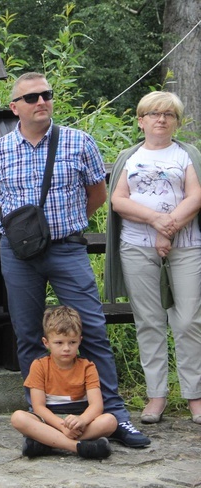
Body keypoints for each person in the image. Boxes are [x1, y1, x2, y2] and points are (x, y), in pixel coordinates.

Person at [0, 72, 150, 448]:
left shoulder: (78, 142)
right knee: (27, 335)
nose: (41, 101)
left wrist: (64, 225)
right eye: (32, 97)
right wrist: (23, 233)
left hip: (67, 248)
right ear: (15, 107)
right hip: (19, 254)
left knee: (91, 329)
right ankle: (42, 422)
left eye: (47, 95)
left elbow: (97, 194)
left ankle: (114, 415)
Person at [105, 91, 201, 425]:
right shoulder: (128, 157)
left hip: (186, 247)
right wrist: (155, 221)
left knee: (188, 320)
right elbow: (118, 200)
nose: (161, 119)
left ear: (176, 121)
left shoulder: (188, 155)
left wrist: (168, 229)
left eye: (168, 114)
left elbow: (196, 195)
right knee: (149, 321)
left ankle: (195, 396)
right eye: (154, 114)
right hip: (136, 248)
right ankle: (156, 396)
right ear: (141, 120)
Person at [11, 306, 118, 459]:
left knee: (110, 421)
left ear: (80, 341)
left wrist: (81, 420)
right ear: (46, 342)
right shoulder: (39, 365)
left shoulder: (88, 367)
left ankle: (47, 442)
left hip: (78, 422)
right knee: (18, 418)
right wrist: (62, 427)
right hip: (50, 421)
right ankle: (78, 447)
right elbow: (39, 407)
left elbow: (96, 405)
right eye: (59, 343)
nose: (66, 348)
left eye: (72, 342)